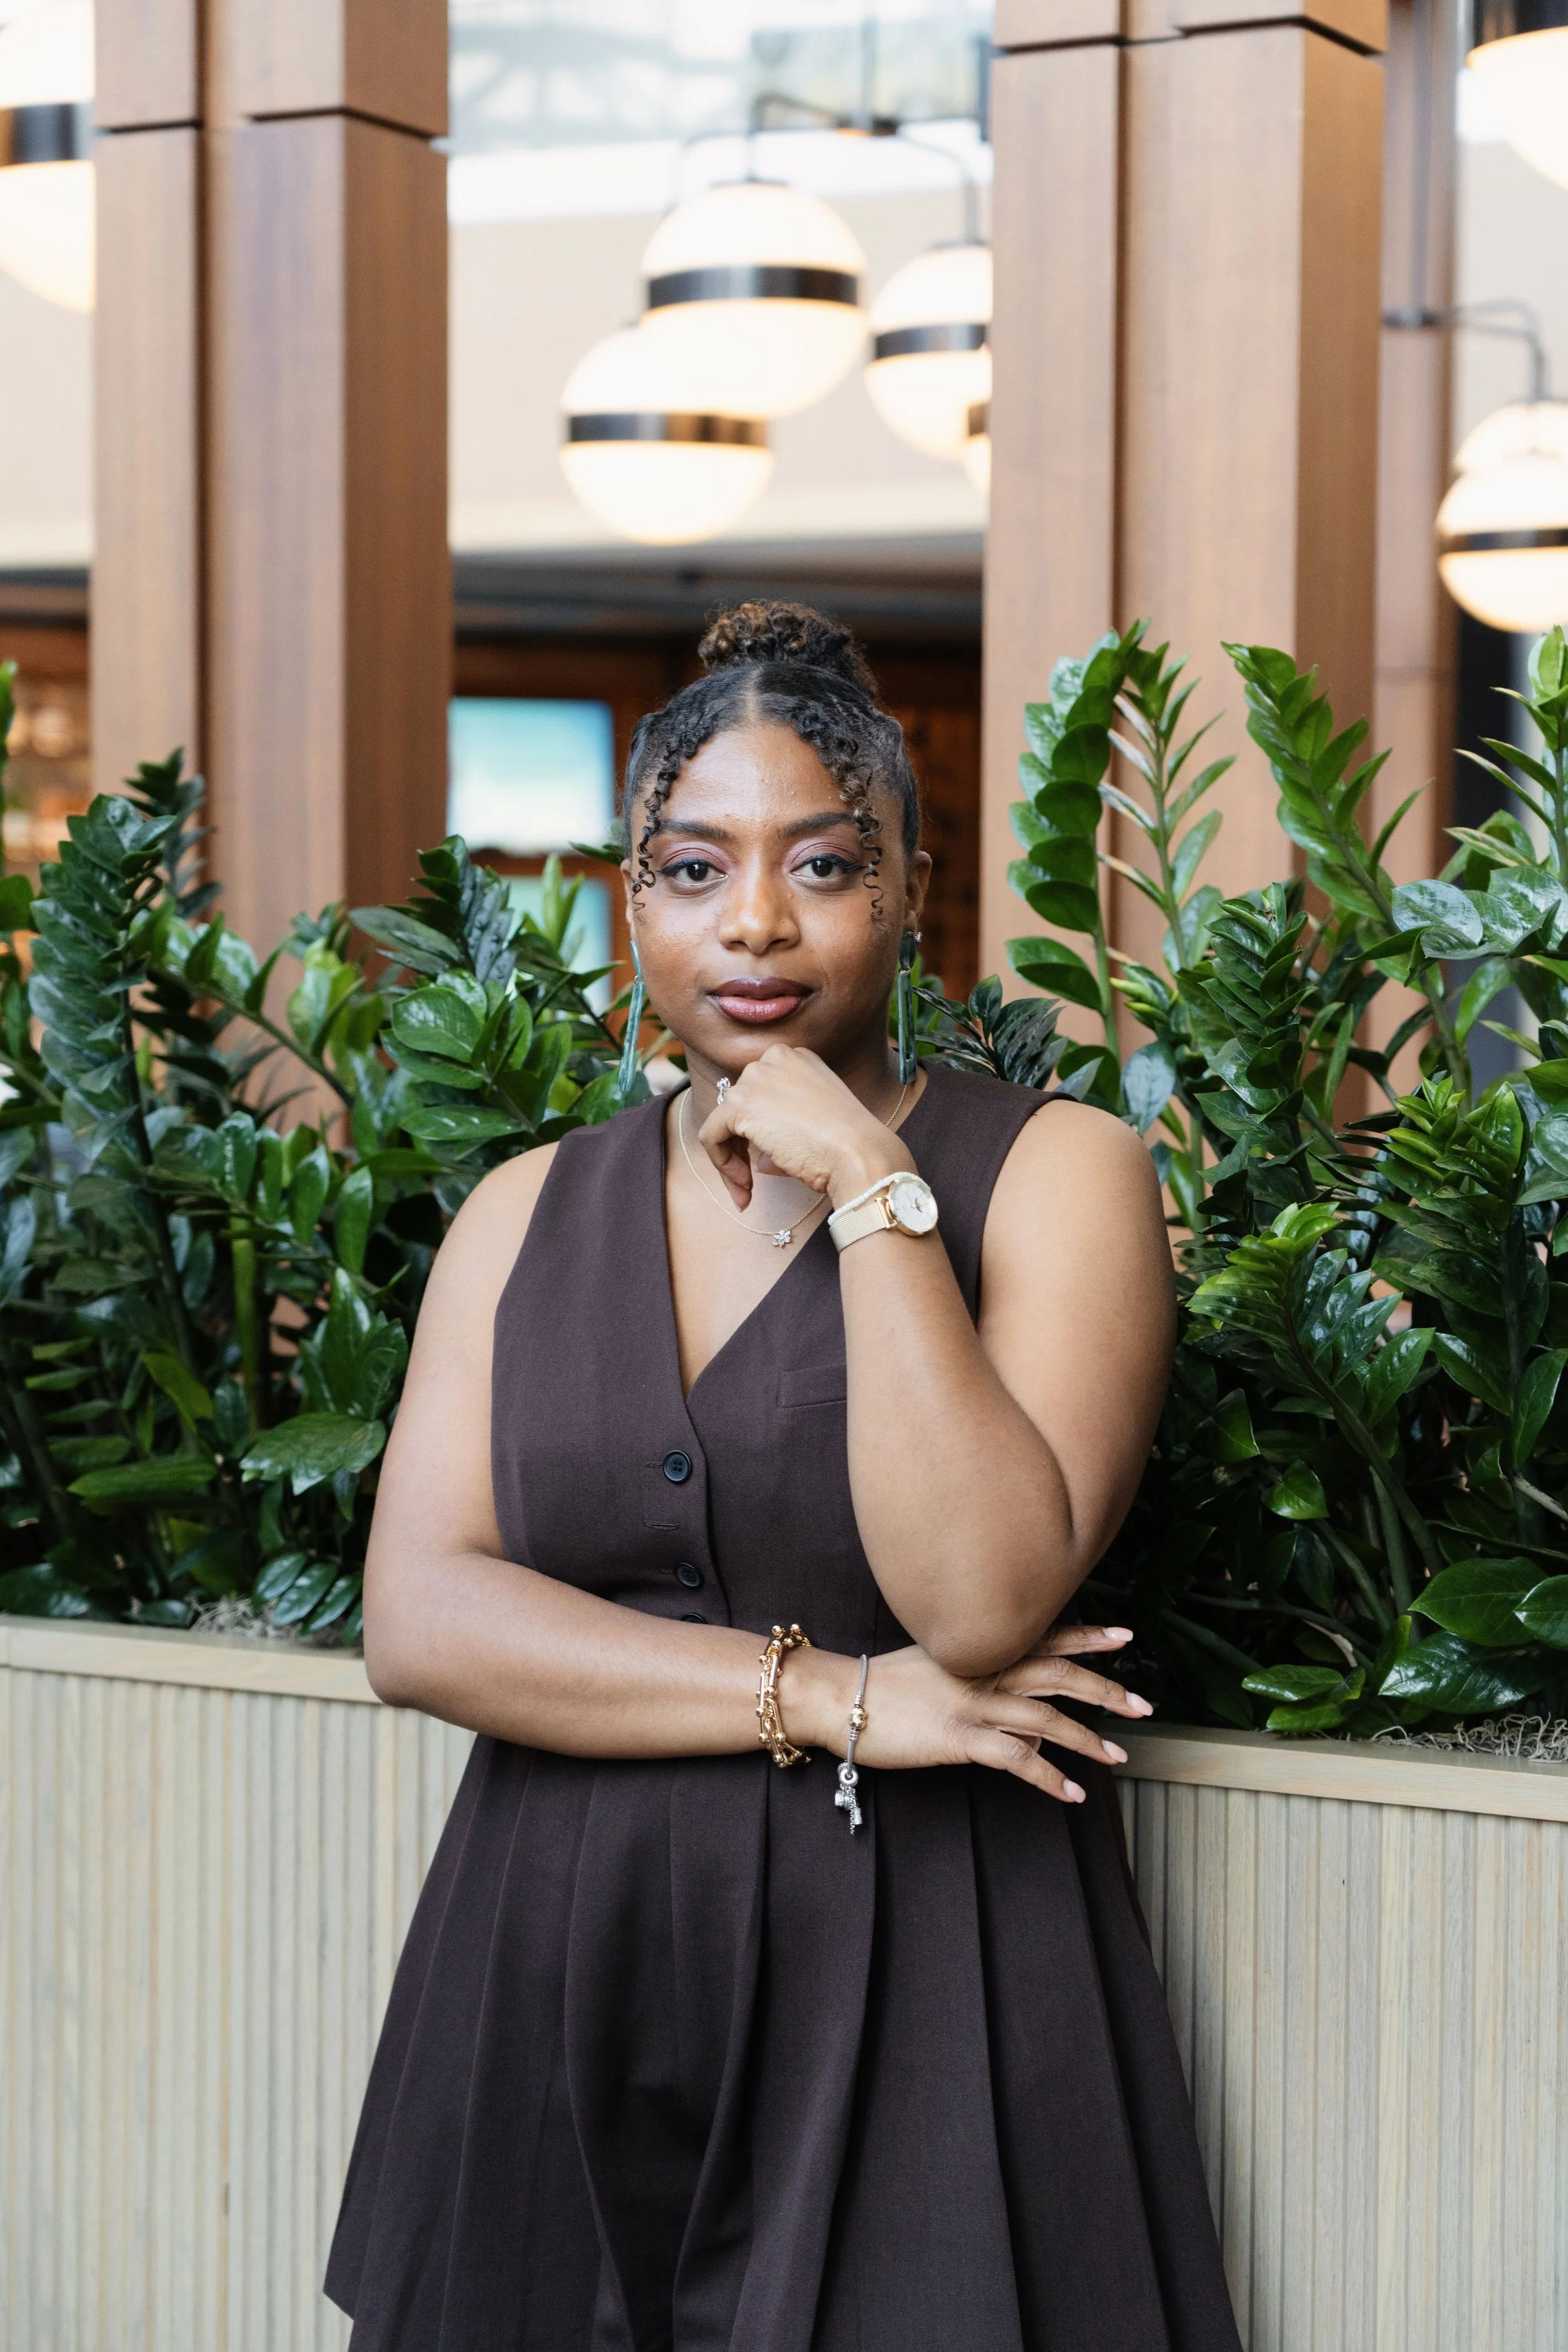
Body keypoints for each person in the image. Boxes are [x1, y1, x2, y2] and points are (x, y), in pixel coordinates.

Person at [326, 601, 1242, 2352]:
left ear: (911, 888)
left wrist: (873, 1191)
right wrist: (825, 1695)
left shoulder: (1058, 1176)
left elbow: (980, 1596)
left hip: (924, 1970)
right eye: (691, 866)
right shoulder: (525, 1209)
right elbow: (420, 1616)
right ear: (630, 901)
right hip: (555, 1956)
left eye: (821, 865)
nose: (752, 920)